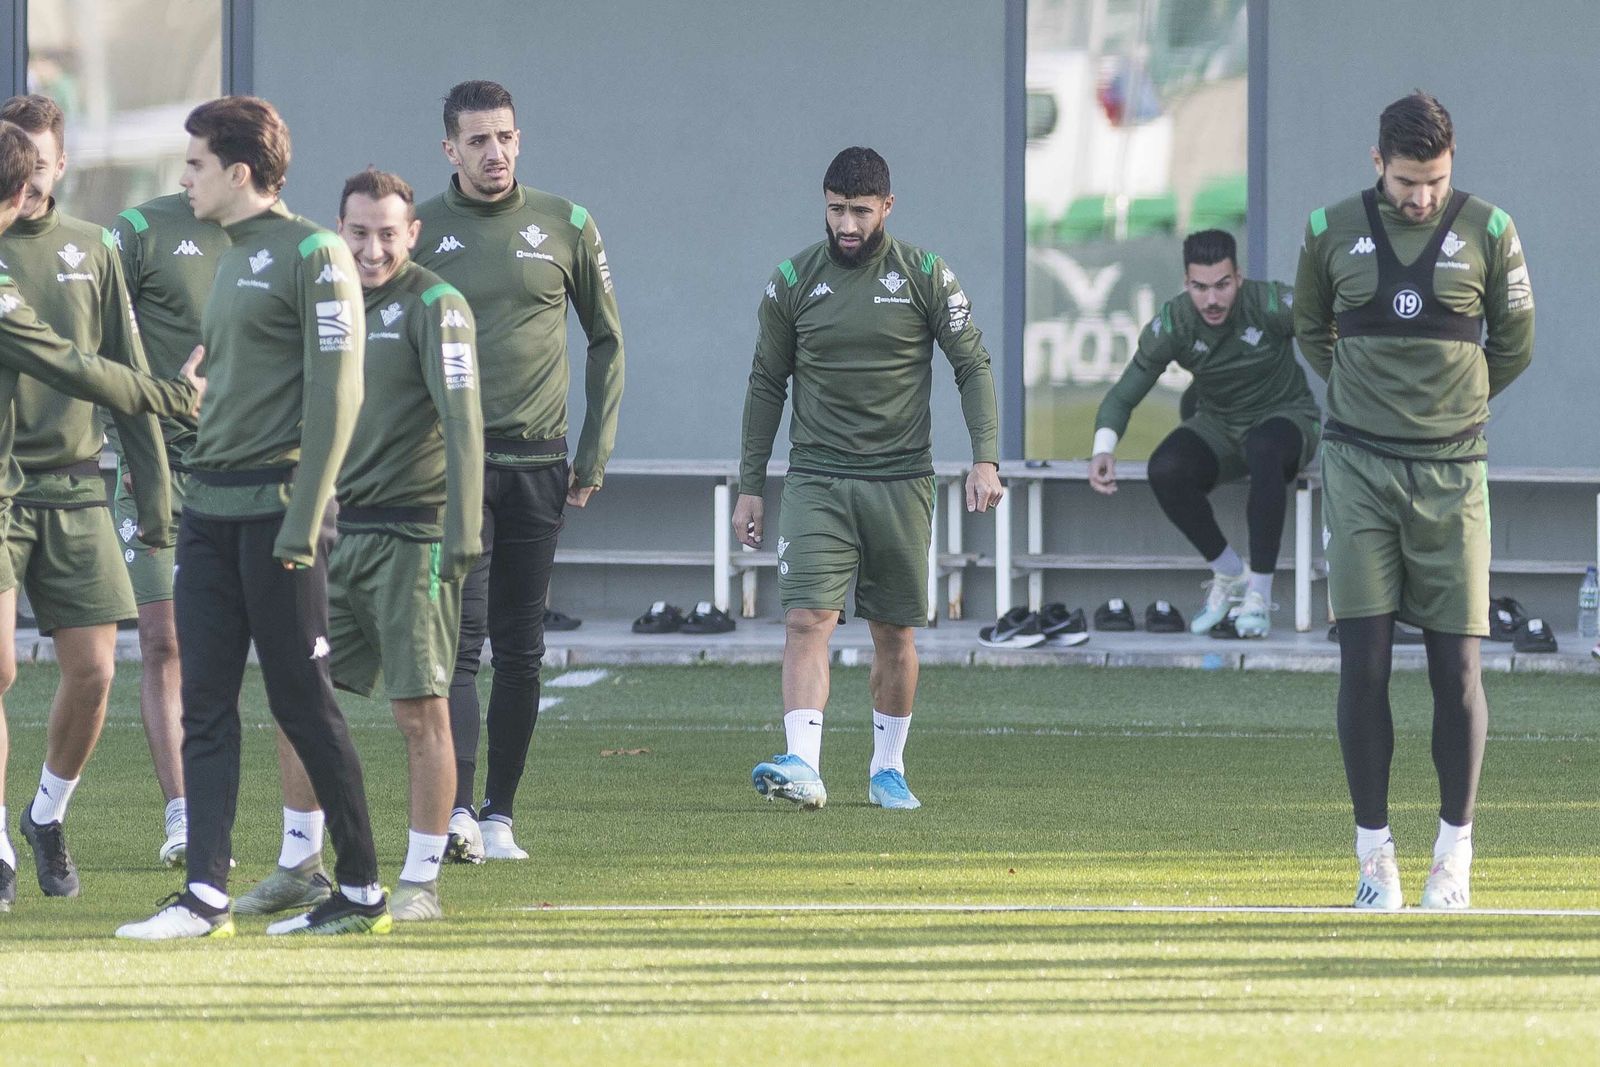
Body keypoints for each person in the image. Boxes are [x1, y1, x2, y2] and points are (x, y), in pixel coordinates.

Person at [116, 96, 387, 940]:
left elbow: (340, 389)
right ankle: (204, 896)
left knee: (304, 703)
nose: (184, 177)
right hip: (208, 508)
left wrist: (306, 520)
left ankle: (365, 889)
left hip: (279, 513)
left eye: (195, 163)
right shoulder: (230, 256)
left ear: (239, 172)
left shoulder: (315, 252)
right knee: (204, 702)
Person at [1294, 91, 1533, 911]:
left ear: (1452, 164)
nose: (1420, 196)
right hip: (1358, 469)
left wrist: (1446, 411)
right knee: (1361, 662)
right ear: (1376, 163)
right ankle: (1374, 860)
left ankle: (1452, 860)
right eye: (1405, 180)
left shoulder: (1492, 232)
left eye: (1433, 180)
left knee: (1456, 669)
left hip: (1454, 474)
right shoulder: (1328, 231)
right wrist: (1370, 404)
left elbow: (1516, 345)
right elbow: (1309, 331)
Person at [234, 168, 483, 924]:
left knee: (420, 713)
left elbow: (467, 424)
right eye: (359, 232)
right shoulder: (323, 300)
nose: (372, 249)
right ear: (338, 230)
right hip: (333, 533)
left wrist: (464, 535)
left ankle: (420, 882)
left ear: (413, 234)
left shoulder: (438, 306)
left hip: (414, 538)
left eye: (387, 233)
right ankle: (300, 864)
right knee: (299, 700)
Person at [736, 146, 1002, 811]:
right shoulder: (793, 278)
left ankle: (888, 769)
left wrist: (986, 457)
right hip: (818, 478)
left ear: (887, 206)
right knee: (806, 618)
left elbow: (973, 365)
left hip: (900, 480)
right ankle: (803, 763)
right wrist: (749, 482)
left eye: (859, 211)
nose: (846, 225)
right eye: (835, 210)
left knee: (895, 633)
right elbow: (766, 382)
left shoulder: (927, 275)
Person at [414, 80, 623, 863]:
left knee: (522, 646)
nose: (494, 152)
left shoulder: (567, 223)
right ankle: (458, 811)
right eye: (477, 140)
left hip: (541, 464)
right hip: (452, 467)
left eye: (504, 136)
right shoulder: (422, 229)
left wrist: (594, 451)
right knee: (461, 643)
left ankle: (500, 816)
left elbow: (608, 339)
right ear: (450, 150)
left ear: (519, 138)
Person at [0, 121, 204, 911]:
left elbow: (109, 363)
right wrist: (176, 394)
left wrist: (152, 496)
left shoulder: (94, 248)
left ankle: (45, 812)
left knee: (94, 671)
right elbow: (68, 362)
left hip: (77, 487)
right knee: (3, 668)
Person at [1090, 230, 1320, 638]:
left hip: (1287, 418)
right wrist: (1102, 449)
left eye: (1221, 285)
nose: (1211, 300)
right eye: (1200, 287)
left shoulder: (1269, 303)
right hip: (1219, 425)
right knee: (1165, 468)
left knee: (1263, 447)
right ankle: (1230, 573)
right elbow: (1124, 395)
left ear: (1239, 278)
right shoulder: (1175, 322)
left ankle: (1259, 596)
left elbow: (1331, 324)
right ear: (1186, 284)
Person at [110, 182, 231, 869]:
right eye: (189, 160)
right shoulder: (136, 229)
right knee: (163, 638)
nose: (194, 173)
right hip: (152, 470)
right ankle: (184, 814)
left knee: (238, 649)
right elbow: (93, 340)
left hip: (242, 471)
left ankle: (293, 836)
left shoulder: (283, 239)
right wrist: (126, 438)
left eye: (206, 159)